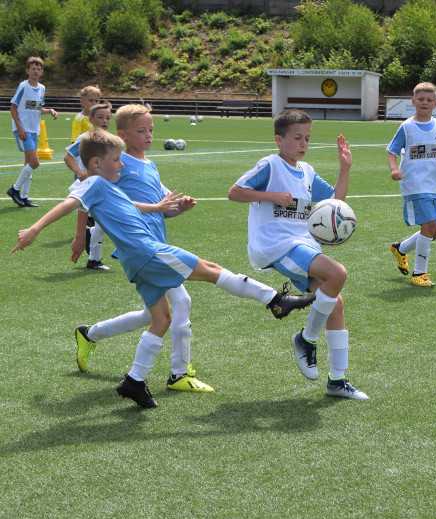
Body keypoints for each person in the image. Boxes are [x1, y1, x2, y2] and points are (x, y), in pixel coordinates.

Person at [12, 130, 314, 409]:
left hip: (135, 260)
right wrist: (35, 228)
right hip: (148, 251)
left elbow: (128, 204)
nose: (120, 165)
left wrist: (157, 208)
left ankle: (134, 381)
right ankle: (275, 300)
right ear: (96, 162)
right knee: (211, 269)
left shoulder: (104, 186)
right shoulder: (92, 182)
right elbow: (67, 204)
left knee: (161, 318)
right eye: (115, 160)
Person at [73, 103, 241, 393]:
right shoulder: (115, 161)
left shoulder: (149, 165)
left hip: (156, 245)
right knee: (181, 303)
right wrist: (80, 237)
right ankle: (179, 374)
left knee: (154, 315)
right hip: (142, 249)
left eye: (151, 129)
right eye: (142, 130)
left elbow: (163, 208)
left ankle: (91, 333)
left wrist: (179, 207)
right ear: (123, 134)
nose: (149, 135)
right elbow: (88, 196)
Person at [228, 109, 367, 401]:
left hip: (303, 243)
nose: (303, 144)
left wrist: (345, 168)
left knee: (335, 304)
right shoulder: (270, 165)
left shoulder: (307, 171)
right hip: (278, 245)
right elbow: (235, 192)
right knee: (338, 273)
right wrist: (272, 196)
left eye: (307, 138)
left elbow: (335, 202)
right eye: (297, 138)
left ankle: (337, 380)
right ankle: (306, 339)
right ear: (279, 139)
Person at [387, 82, 436, 287]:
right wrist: (394, 169)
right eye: (421, 99)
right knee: (428, 226)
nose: (425, 103)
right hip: (415, 185)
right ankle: (419, 274)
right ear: (413, 101)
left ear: (435, 104)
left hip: (435, 185)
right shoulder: (407, 127)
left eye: (429, 100)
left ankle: (401, 249)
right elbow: (392, 152)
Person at [64, 101, 112, 270]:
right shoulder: (87, 139)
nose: (105, 120)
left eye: (107, 117)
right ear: (91, 119)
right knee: (103, 222)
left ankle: (93, 255)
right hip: (87, 187)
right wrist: (78, 171)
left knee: (102, 224)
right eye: (100, 117)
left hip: (101, 186)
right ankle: (93, 258)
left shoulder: (108, 139)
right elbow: (68, 157)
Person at [7, 56, 58, 208]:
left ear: (42, 71)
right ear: (27, 70)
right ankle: (14, 189)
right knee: (35, 162)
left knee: (28, 163)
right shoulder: (23, 86)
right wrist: (20, 128)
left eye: (38, 69)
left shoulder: (42, 88)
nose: (35, 71)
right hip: (23, 129)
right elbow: (13, 108)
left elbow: (37, 108)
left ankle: (24, 197)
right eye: (33, 69)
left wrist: (49, 111)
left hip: (34, 130)